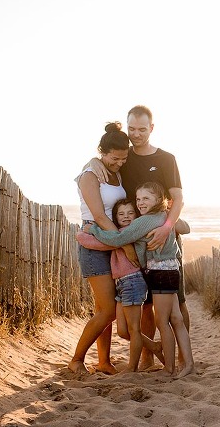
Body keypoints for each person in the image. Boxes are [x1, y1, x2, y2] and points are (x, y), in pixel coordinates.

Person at [87, 105, 189, 370]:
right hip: (135, 236)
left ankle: (181, 357)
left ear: (151, 128)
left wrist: (168, 226)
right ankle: (147, 359)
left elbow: (178, 197)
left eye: (142, 129)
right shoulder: (124, 156)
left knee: (177, 299)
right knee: (146, 304)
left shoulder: (167, 158)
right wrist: (92, 163)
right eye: (131, 128)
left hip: (163, 235)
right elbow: (103, 162)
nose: (136, 134)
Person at [86, 182, 194, 378]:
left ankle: (169, 369)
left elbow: (118, 239)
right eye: (138, 199)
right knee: (176, 318)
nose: (141, 203)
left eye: (146, 198)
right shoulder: (165, 215)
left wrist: (94, 230)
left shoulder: (144, 221)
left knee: (163, 321)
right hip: (171, 269)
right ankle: (188, 363)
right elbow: (183, 227)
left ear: (159, 200)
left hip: (160, 273)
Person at [75, 198, 165, 372]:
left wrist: (83, 234)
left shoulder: (129, 233)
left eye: (130, 213)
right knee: (123, 331)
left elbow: (97, 242)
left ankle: (131, 370)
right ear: (115, 217)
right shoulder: (117, 233)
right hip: (121, 285)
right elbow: (109, 240)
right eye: (121, 214)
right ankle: (154, 347)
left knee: (133, 329)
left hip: (133, 282)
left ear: (136, 216)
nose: (126, 216)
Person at [69, 122, 129, 376]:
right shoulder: (89, 175)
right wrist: (126, 244)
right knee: (109, 310)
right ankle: (76, 360)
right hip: (95, 241)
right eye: (114, 158)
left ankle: (104, 361)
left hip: (112, 242)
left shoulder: (116, 173)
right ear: (102, 152)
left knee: (103, 308)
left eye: (123, 159)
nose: (119, 163)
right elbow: (100, 217)